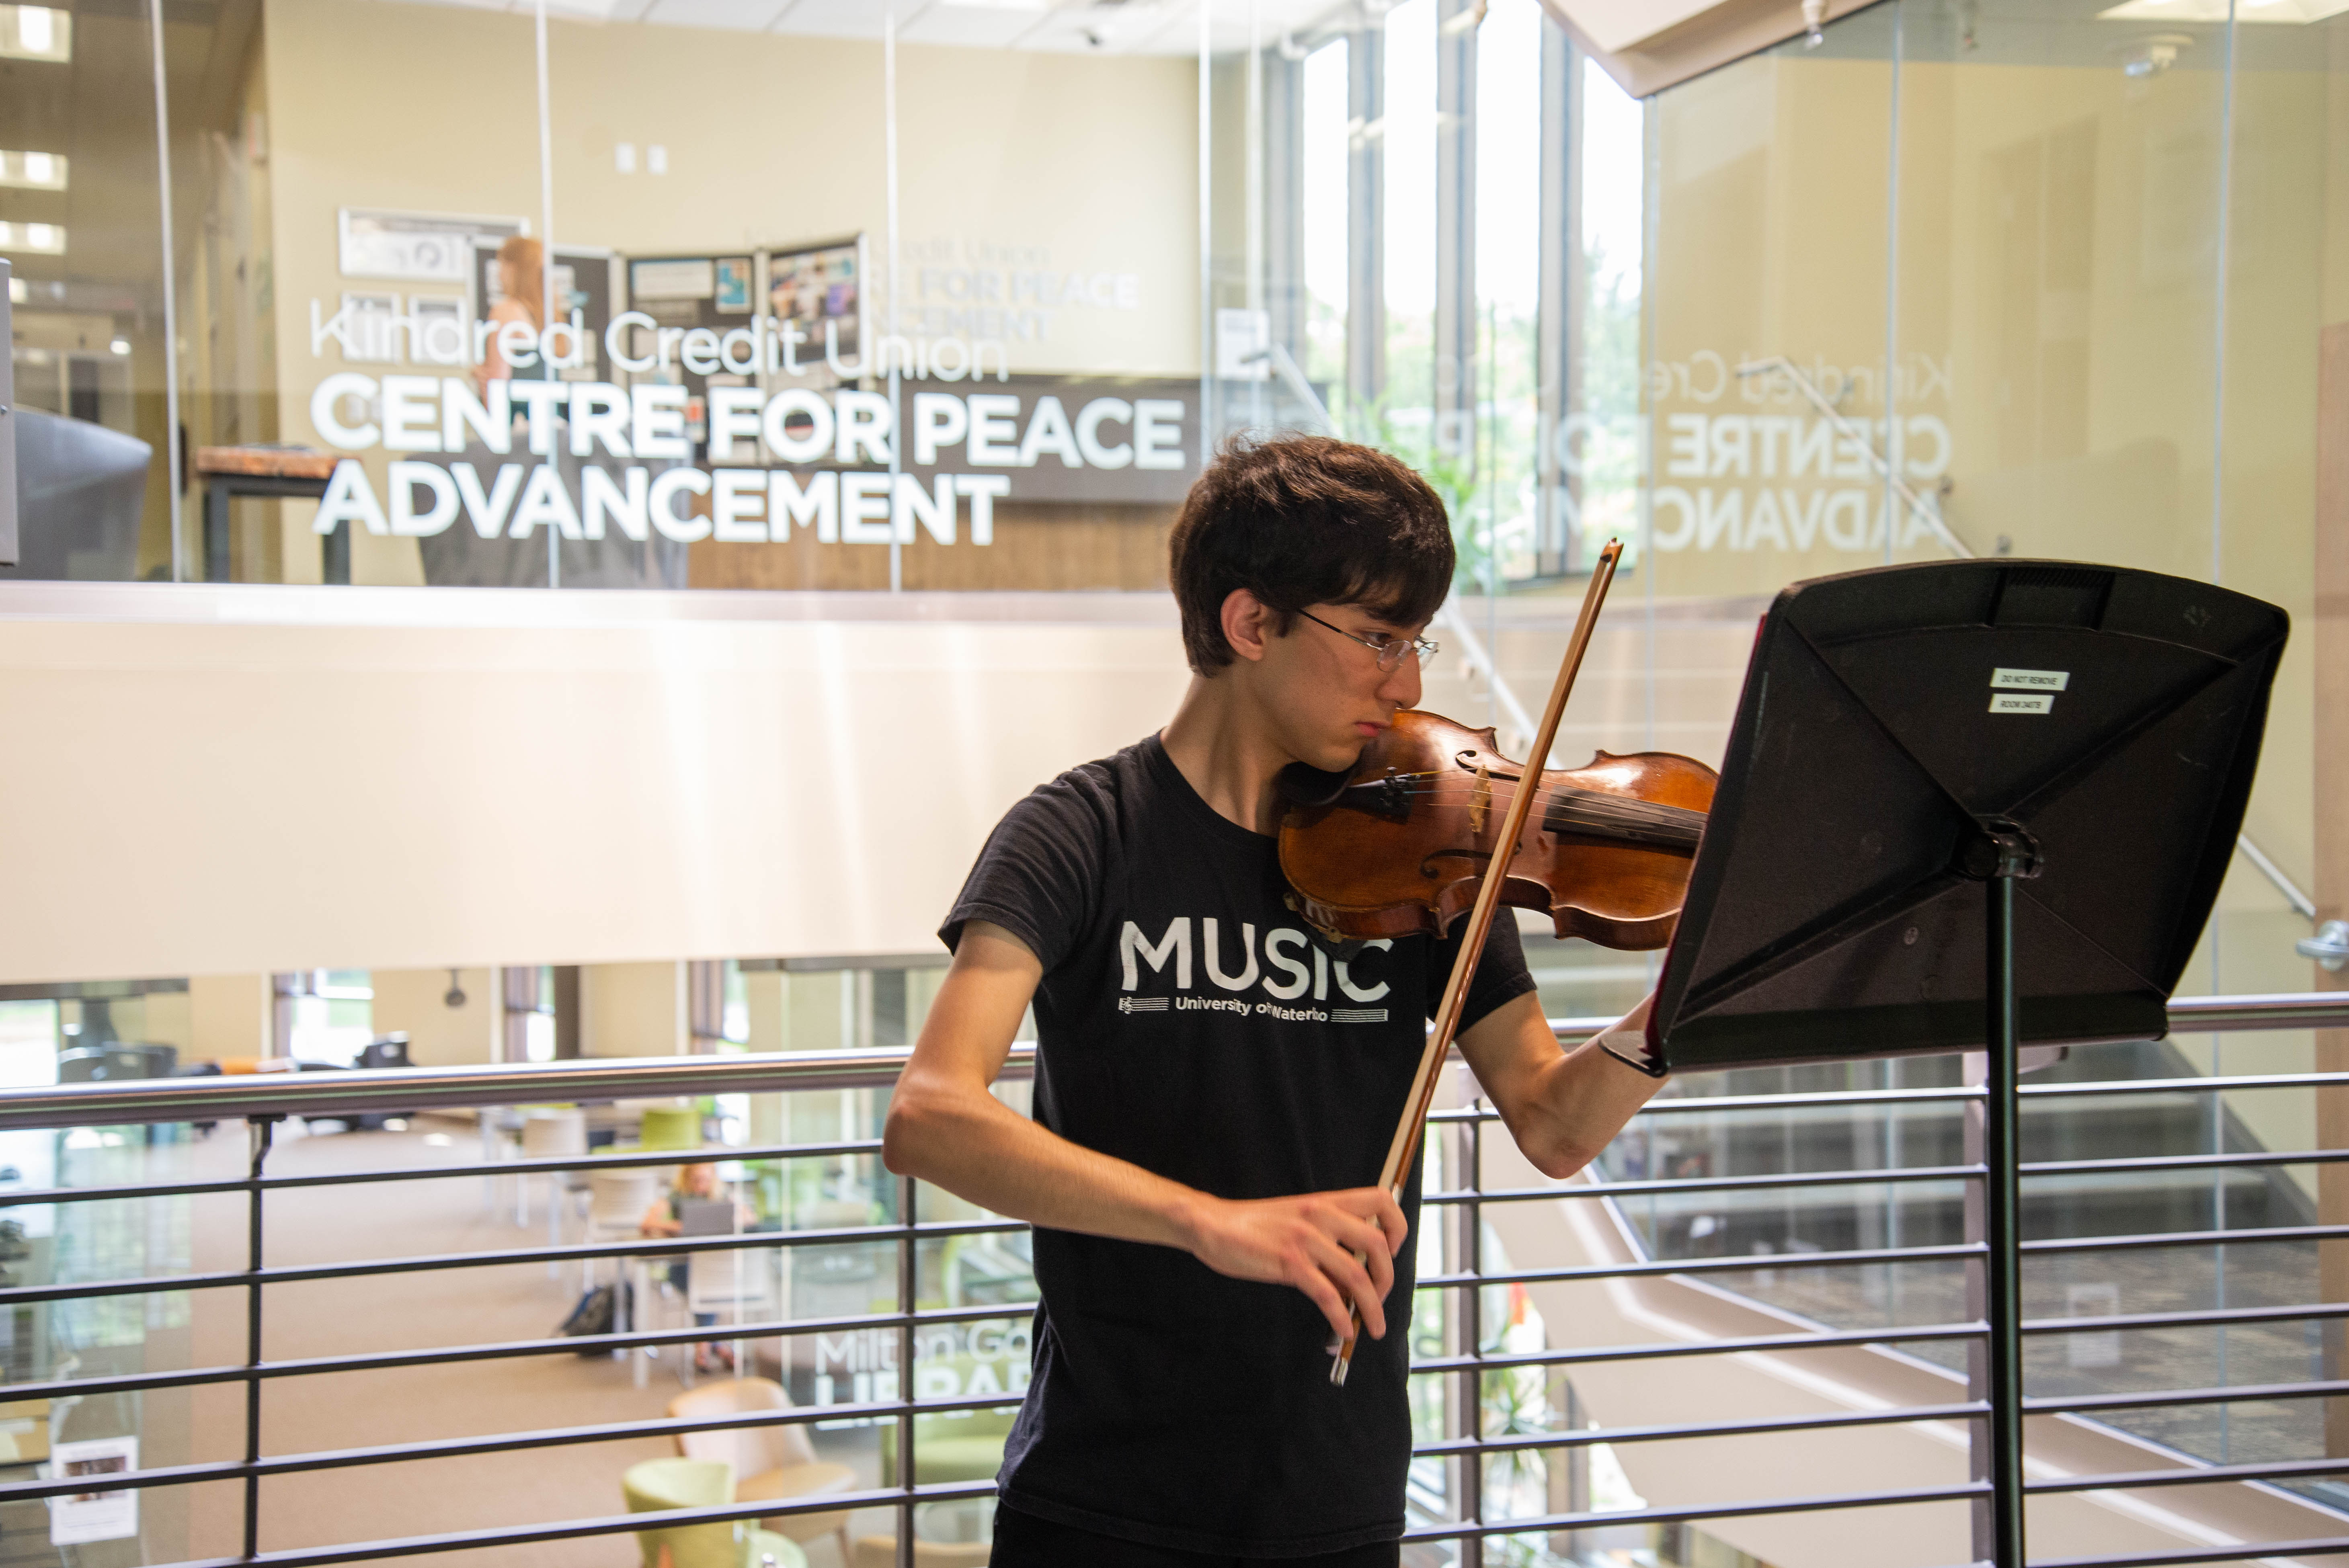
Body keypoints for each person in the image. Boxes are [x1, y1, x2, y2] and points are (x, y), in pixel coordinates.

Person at [882, 436, 1668, 1567]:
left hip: (1333, 1501)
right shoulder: (1079, 834)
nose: (1407, 684)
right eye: (1379, 640)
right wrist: (1212, 1221)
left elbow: (1553, 1120)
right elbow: (929, 1114)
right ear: (1253, 624)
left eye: (1415, 642)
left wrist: (1677, 1011)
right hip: (1101, 1502)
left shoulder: (1431, 855)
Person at [640, 1161, 750, 1374]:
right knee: (706, 1288)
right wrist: (678, 1226)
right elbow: (647, 1223)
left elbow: (749, 1217)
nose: (702, 1185)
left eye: (707, 1179)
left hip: (717, 1273)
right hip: (684, 1270)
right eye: (697, 1180)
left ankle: (705, 1347)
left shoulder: (722, 1196)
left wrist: (725, 1220)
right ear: (687, 1179)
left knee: (709, 1285)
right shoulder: (676, 1197)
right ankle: (713, 1347)